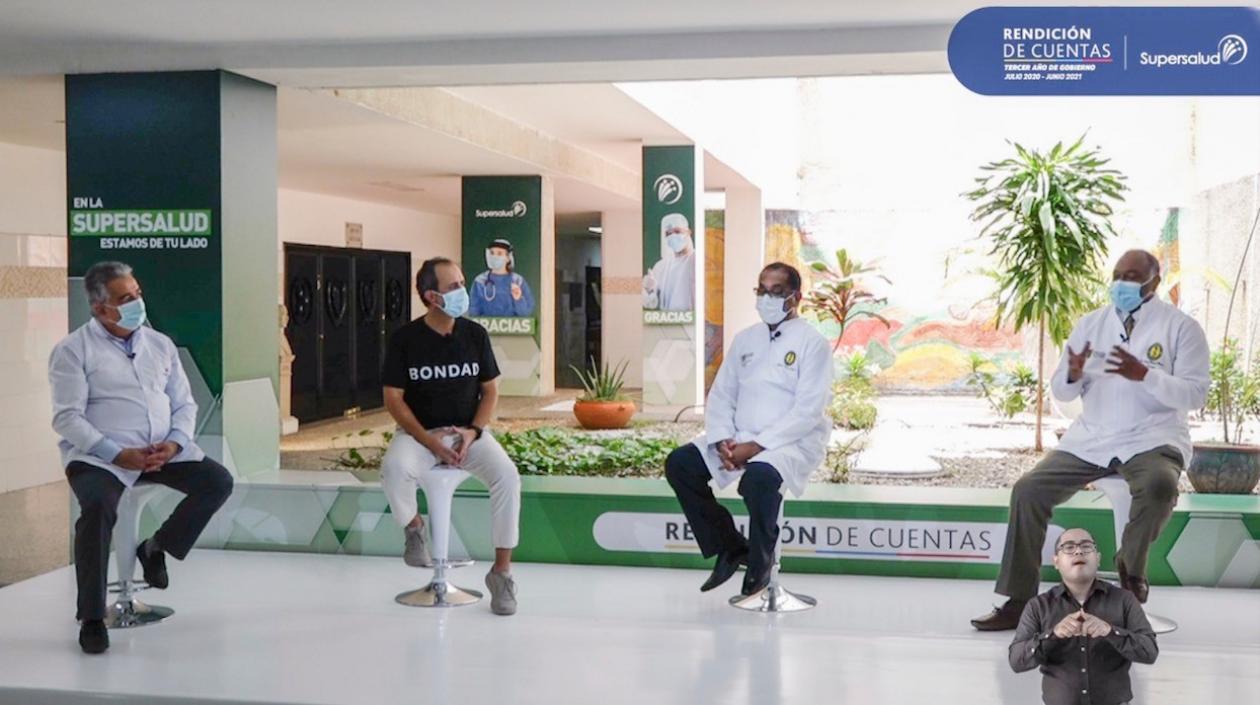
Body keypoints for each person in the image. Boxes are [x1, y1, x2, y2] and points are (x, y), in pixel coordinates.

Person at [973, 249, 1209, 631]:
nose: (1122, 284)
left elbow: (1195, 395)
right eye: (1118, 275)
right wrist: (1073, 372)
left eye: (1133, 277)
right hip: (1093, 438)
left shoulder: (1181, 328)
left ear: (1154, 282)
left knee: (1159, 486)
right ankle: (1018, 602)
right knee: (1029, 490)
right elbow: (1063, 393)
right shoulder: (1090, 325)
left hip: (1152, 437)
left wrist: (1144, 375)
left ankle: (1130, 574)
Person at [48, 261, 235, 654]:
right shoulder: (72, 350)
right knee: (97, 508)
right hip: (100, 455)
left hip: (160, 449)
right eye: (124, 299)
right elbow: (67, 418)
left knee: (217, 481)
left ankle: (156, 547)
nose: (136, 303)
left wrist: (175, 444)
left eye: (138, 294)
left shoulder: (160, 344)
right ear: (99, 309)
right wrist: (117, 453)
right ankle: (93, 617)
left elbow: (185, 403)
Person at [664, 262, 833, 595]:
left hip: (789, 443)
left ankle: (761, 564)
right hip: (738, 437)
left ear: (795, 297)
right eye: (762, 290)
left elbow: (808, 410)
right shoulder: (746, 339)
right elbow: (723, 393)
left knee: (760, 479)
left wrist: (756, 447)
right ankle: (730, 545)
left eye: (777, 292)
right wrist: (724, 439)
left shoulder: (813, 343)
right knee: (680, 464)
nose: (767, 298)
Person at [379, 257, 522, 615]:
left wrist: (473, 432)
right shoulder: (405, 340)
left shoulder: (475, 335)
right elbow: (392, 399)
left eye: (461, 282)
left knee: (507, 476)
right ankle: (414, 528)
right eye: (454, 286)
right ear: (432, 296)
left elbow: (489, 391)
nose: (463, 291)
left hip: (467, 434)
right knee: (394, 469)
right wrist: (429, 442)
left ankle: (501, 573)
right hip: (419, 436)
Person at [1010, 528, 1158, 705]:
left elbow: (1149, 652)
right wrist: (1052, 635)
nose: (1078, 551)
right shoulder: (1038, 606)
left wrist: (1110, 632)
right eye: (1069, 547)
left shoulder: (1124, 600)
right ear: (1056, 561)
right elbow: (1016, 660)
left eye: (1086, 546)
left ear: (1098, 559)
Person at [642, 213, 696, 311]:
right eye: (668, 233)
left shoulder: (696, 260)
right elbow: (650, 303)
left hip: (692, 324)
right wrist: (648, 290)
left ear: (688, 232)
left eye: (677, 231)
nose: (673, 236)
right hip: (669, 323)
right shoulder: (661, 266)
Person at [469, 238, 535, 317]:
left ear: (508, 258)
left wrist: (518, 299)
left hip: (512, 328)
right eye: (492, 253)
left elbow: (526, 313)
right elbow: (473, 311)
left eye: (499, 253)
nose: (494, 257)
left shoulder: (517, 281)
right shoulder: (480, 281)